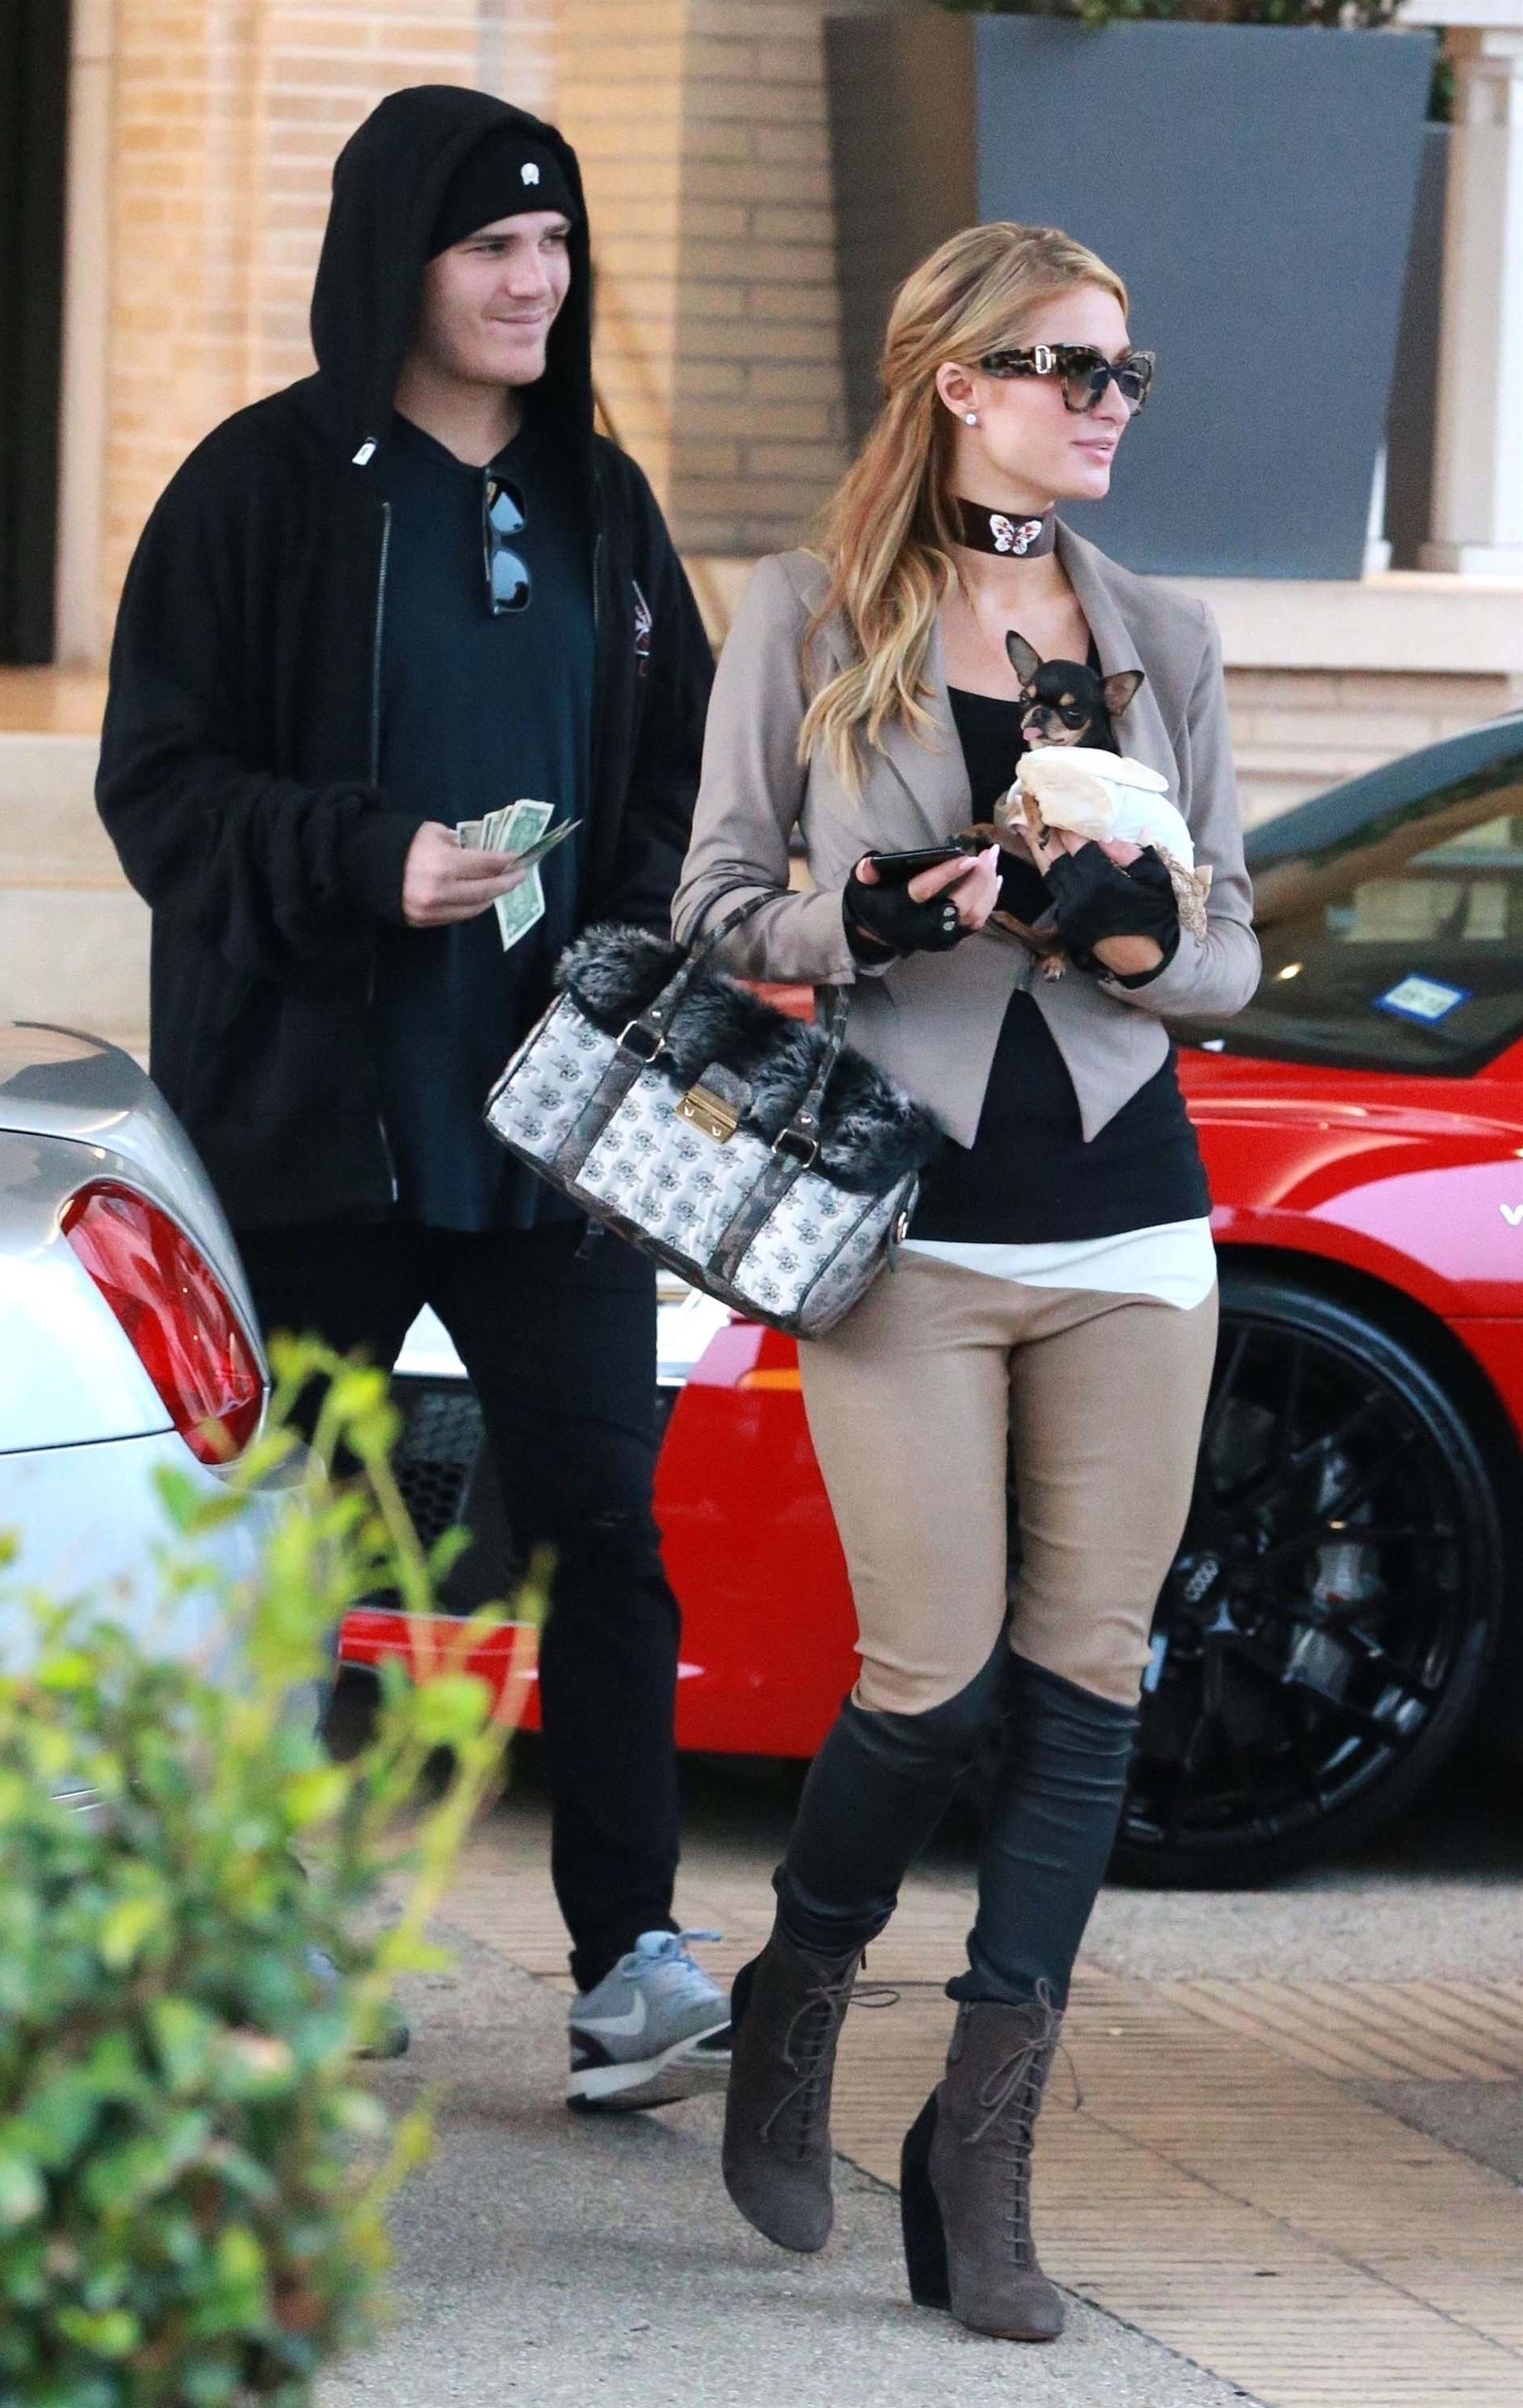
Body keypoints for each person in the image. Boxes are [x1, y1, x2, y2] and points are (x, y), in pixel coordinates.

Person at [97, 85, 729, 2113]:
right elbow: (159, 788)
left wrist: (624, 942)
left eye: (554, 245)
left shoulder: (607, 506)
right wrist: (367, 862)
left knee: (606, 1533)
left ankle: (633, 1962)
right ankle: (267, 1924)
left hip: (555, 1133)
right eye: (491, 248)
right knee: (280, 1542)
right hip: (315, 1123)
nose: (535, 281)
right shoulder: (258, 490)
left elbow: (676, 784)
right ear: (401, 260)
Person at [672, 222, 1259, 2335]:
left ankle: (979, 2156)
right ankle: (797, 1999)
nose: (1108, 403)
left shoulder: (1162, 633)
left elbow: (1230, 951)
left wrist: (1125, 937)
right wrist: (878, 917)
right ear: (958, 381)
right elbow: (716, 901)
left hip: (1132, 1227)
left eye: (1125, 372)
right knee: (927, 1677)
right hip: (903, 1223)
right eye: (1069, 367)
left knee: (1090, 1686)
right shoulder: (808, 610)